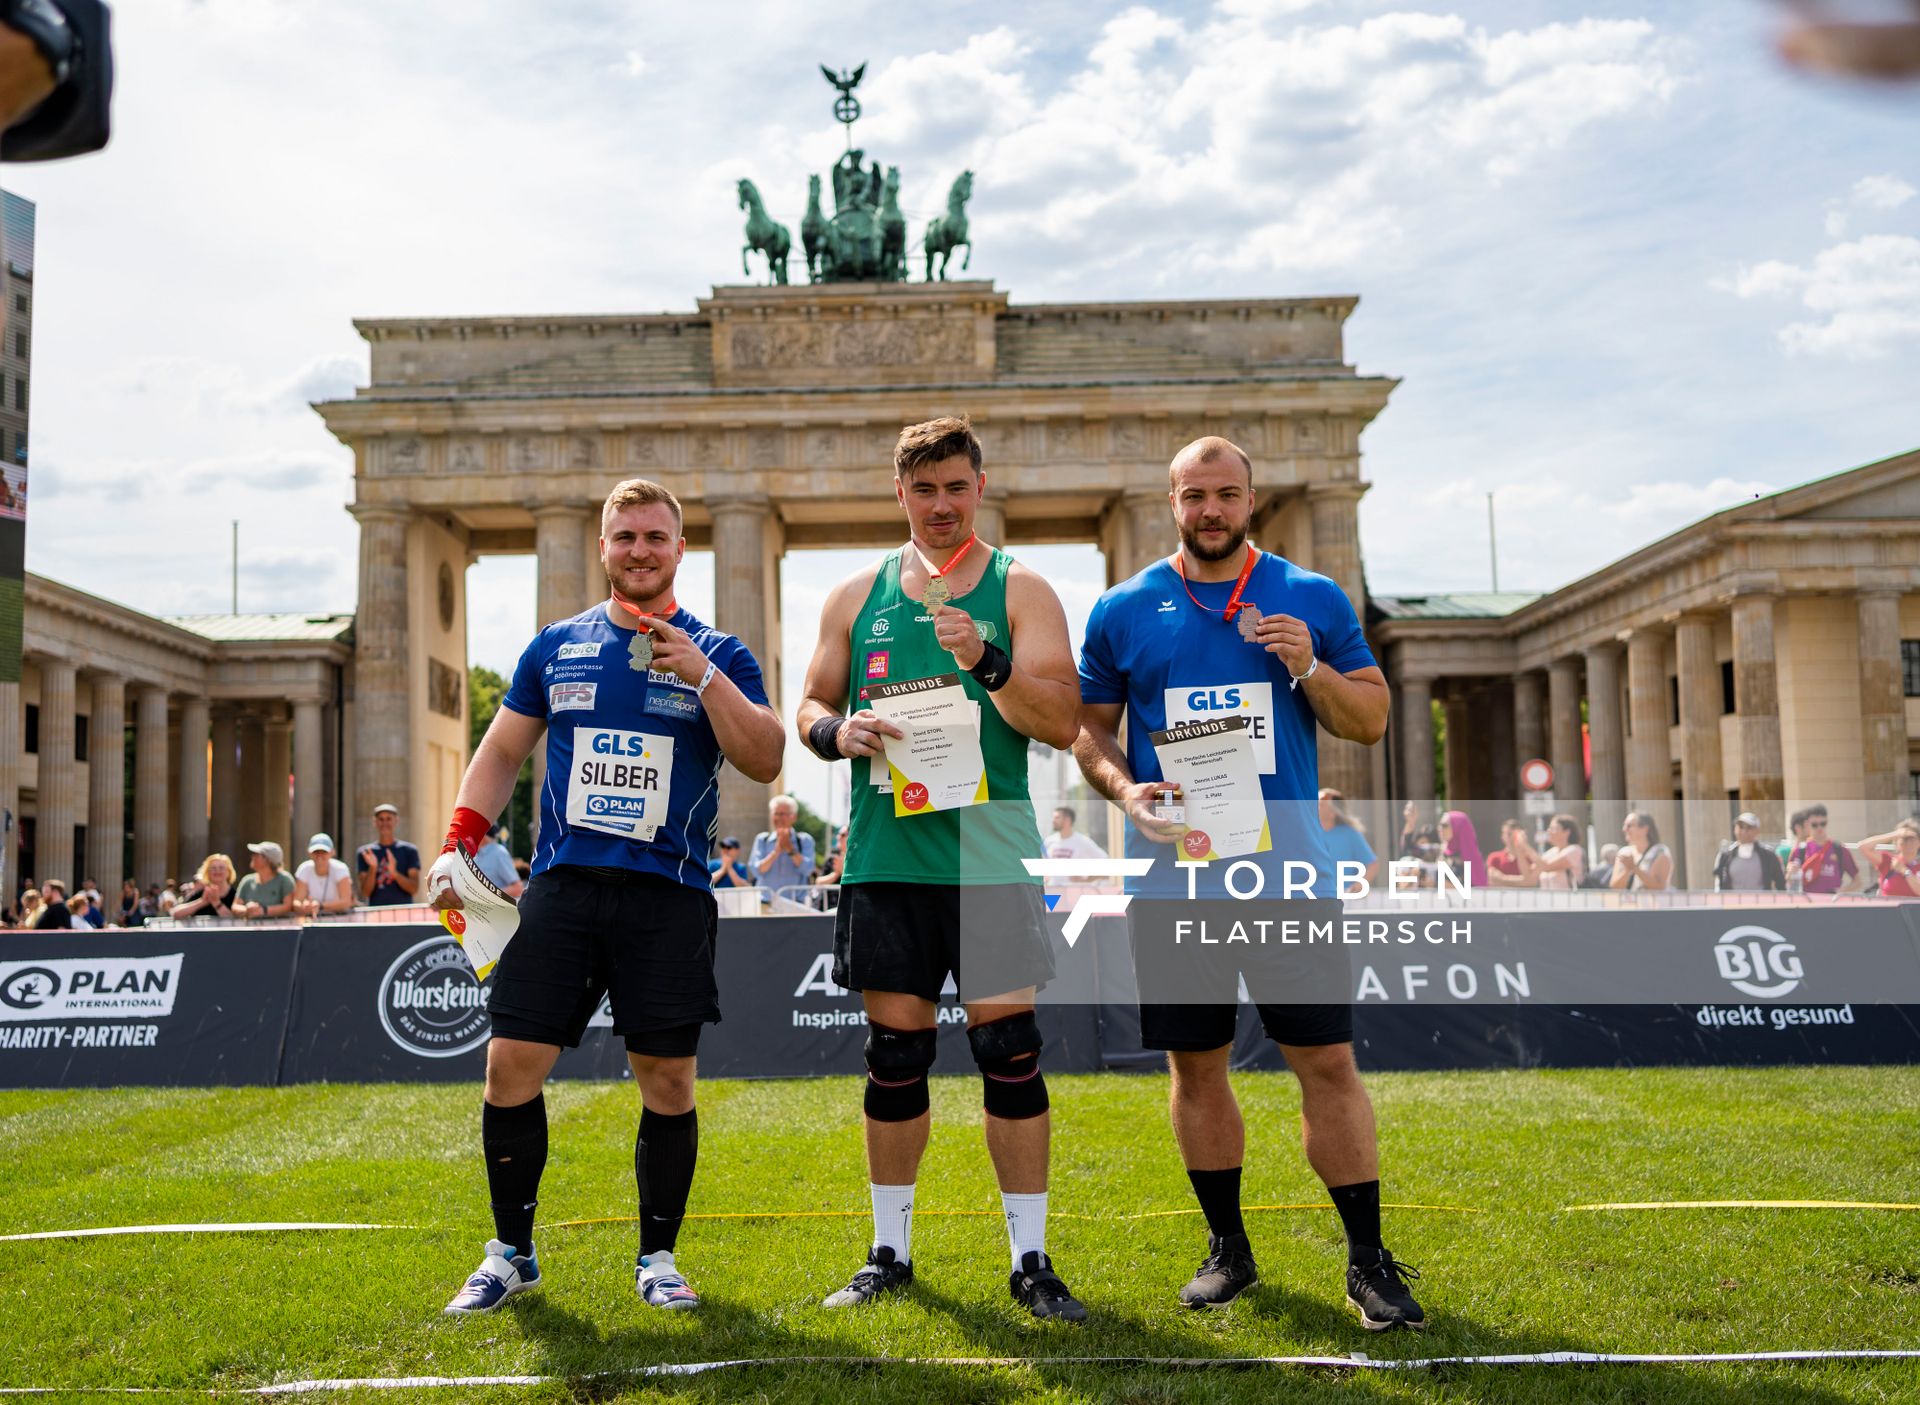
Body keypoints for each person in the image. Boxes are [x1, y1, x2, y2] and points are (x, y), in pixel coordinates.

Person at [1072, 435, 1423, 1329]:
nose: (1211, 510)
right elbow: (1088, 733)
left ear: (1252, 500)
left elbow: (1374, 719)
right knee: (1196, 1069)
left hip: (1288, 880)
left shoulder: (1309, 597)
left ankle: (1368, 1260)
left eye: (1226, 493)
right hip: (1173, 882)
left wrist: (1308, 664)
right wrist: (1125, 787)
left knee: (1328, 1063)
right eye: (1195, 495)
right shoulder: (1122, 608)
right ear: (1173, 502)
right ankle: (1229, 1248)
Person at [429, 477, 783, 1317]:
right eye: (624, 536)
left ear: (679, 549)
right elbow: (501, 748)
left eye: (655, 537)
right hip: (564, 887)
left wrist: (703, 677)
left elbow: (767, 757)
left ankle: (658, 1257)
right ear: (603, 547)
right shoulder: (557, 645)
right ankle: (512, 1252)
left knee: (667, 1079)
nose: (639, 550)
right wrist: (457, 839)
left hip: (668, 893)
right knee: (509, 1063)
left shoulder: (721, 651)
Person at [796, 415, 1087, 1322]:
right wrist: (832, 731)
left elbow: (1062, 719)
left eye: (956, 487)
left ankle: (1031, 1260)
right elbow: (810, 699)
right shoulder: (858, 591)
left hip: (989, 857)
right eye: (923, 490)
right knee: (896, 1059)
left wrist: (988, 659)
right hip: (888, 856)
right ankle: (890, 1252)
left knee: (1010, 1055)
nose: (941, 505)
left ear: (979, 486)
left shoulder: (1021, 587)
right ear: (901, 495)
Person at [749, 795, 815, 899]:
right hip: (766, 903)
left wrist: (790, 849)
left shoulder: (804, 840)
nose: (779, 818)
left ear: (794, 817)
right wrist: (775, 852)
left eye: (783, 814)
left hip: (796, 904)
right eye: (776, 813)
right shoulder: (762, 839)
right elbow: (756, 870)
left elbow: (808, 870)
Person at [357, 804, 421, 905]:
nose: (385, 823)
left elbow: (413, 889)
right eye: (381, 819)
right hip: (376, 913)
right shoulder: (365, 852)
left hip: (403, 913)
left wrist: (394, 873)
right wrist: (373, 868)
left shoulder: (409, 850)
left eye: (388, 819)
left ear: (396, 821)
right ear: (375, 822)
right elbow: (365, 892)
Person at [1787, 804, 1858, 894]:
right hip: (1807, 904)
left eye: (1823, 824)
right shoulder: (1800, 851)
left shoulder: (1839, 849)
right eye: (1815, 825)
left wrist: (1840, 891)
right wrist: (1790, 873)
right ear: (1807, 824)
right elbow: (1789, 882)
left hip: (1832, 904)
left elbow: (1857, 882)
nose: (1819, 828)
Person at [1317, 790, 1379, 893]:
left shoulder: (1350, 834)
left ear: (1333, 812)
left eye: (1320, 804)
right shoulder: (1308, 834)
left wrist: (1359, 884)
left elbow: (1373, 865)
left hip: (1344, 901)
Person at [1713, 813, 1786, 892]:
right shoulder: (1725, 856)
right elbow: (1718, 885)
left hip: (1761, 903)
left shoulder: (1768, 856)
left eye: (1749, 827)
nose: (1744, 831)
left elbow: (1781, 884)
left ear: (1757, 831)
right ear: (1735, 829)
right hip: (1732, 903)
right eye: (1741, 827)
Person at [292, 834, 357, 917]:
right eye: (316, 852)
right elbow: (297, 901)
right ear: (309, 853)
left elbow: (346, 902)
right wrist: (304, 907)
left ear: (332, 852)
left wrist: (320, 906)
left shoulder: (341, 869)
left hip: (340, 919)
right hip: (313, 920)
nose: (319, 855)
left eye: (324, 852)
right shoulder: (304, 869)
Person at [1609, 812, 1673, 891]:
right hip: (1630, 903)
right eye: (1624, 825)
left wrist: (1634, 868)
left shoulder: (1660, 852)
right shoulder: (1624, 852)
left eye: (1629, 826)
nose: (1624, 829)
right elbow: (1615, 887)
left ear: (1645, 829)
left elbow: (1659, 886)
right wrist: (1627, 871)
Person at [1857, 821, 1920, 899]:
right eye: (1904, 839)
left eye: (1912, 838)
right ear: (1897, 843)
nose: (1909, 843)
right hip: (1889, 909)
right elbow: (1863, 847)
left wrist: (1905, 871)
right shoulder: (1888, 861)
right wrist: (1895, 834)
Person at [236, 841, 297, 919]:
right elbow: (235, 906)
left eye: (257, 855)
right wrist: (247, 909)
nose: (252, 856)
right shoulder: (247, 881)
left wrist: (262, 910)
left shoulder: (285, 879)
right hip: (250, 929)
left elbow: (288, 906)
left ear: (268, 860)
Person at [168, 856, 238, 919]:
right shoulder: (201, 893)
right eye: (213, 868)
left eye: (221, 868)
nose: (217, 871)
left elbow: (234, 920)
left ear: (229, 872)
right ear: (207, 873)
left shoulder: (236, 895)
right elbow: (175, 913)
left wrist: (217, 903)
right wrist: (202, 902)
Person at [1530, 814, 1586, 891]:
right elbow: (1534, 869)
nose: (1549, 831)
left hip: (1569, 901)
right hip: (1548, 901)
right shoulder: (1551, 852)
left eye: (1553, 828)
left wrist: (1526, 847)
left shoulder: (1575, 850)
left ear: (1566, 832)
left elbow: (1546, 867)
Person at [473, 822, 524, 899]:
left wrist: (487, 896)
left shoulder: (498, 853)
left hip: (495, 909)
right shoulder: (477, 855)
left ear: (483, 833)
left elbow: (517, 888)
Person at [1439, 810, 1484, 890]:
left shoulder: (1473, 858)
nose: (1440, 828)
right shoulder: (1441, 852)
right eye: (1440, 825)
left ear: (1457, 827)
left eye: (1444, 825)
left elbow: (1476, 890)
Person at [1484, 819, 1532, 887]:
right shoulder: (1494, 857)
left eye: (1515, 834)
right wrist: (1522, 881)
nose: (1512, 838)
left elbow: (1530, 882)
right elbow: (1493, 879)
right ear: (1502, 836)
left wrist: (1503, 880)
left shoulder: (1529, 858)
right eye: (1509, 834)